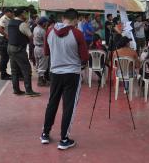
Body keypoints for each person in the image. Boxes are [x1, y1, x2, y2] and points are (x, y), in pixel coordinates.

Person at [41, 8, 89, 150]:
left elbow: (46, 52)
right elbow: (85, 57)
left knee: (52, 103)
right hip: (72, 74)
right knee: (69, 106)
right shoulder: (77, 33)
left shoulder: (49, 31)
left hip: (55, 73)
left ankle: (45, 133)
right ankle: (64, 139)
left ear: (63, 18)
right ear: (76, 20)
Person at [7, 8, 41, 97]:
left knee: (14, 70)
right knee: (26, 70)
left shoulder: (11, 22)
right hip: (19, 49)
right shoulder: (22, 24)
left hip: (10, 47)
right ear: (21, 14)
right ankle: (29, 90)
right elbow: (31, 36)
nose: (26, 15)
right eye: (25, 13)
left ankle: (16, 89)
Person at [0, 8, 13, 80]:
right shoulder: (4, 19)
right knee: (4, 58)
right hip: (3, 40)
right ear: (7, 12)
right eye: (11, 12)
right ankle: (3, 74)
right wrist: (6, 35)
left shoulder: (8, 18)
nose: (12, 14)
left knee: (6, 58)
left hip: (5, 40)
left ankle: (4, 73)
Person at [34, 17, 50, 87]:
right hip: (41, 48)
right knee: (43, 66)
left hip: (36, 48)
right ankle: (40, 81)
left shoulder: (35, 28)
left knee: (39, 64)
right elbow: (46, 41)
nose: (47, 24)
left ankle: (42, 79)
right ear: (43, 23)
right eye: (46, 22)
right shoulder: (42, 30)